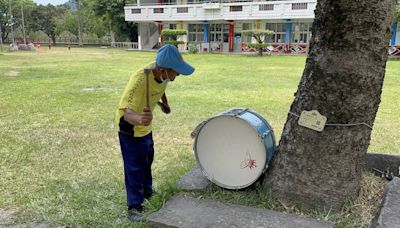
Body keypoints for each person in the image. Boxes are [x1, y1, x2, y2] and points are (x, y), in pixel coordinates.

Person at [115, 44, 195, 222]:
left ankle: (147, 191)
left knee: (147, 158)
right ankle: (134, 206)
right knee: (134, 166)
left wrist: (163, 104)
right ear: (164, 70)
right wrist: (140, 120)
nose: (179, 74)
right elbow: (126, 112)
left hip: (145, 126)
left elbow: (161, 88)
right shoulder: (140, 80)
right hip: (130, 126)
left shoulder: (161, 74)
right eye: (177, 71)